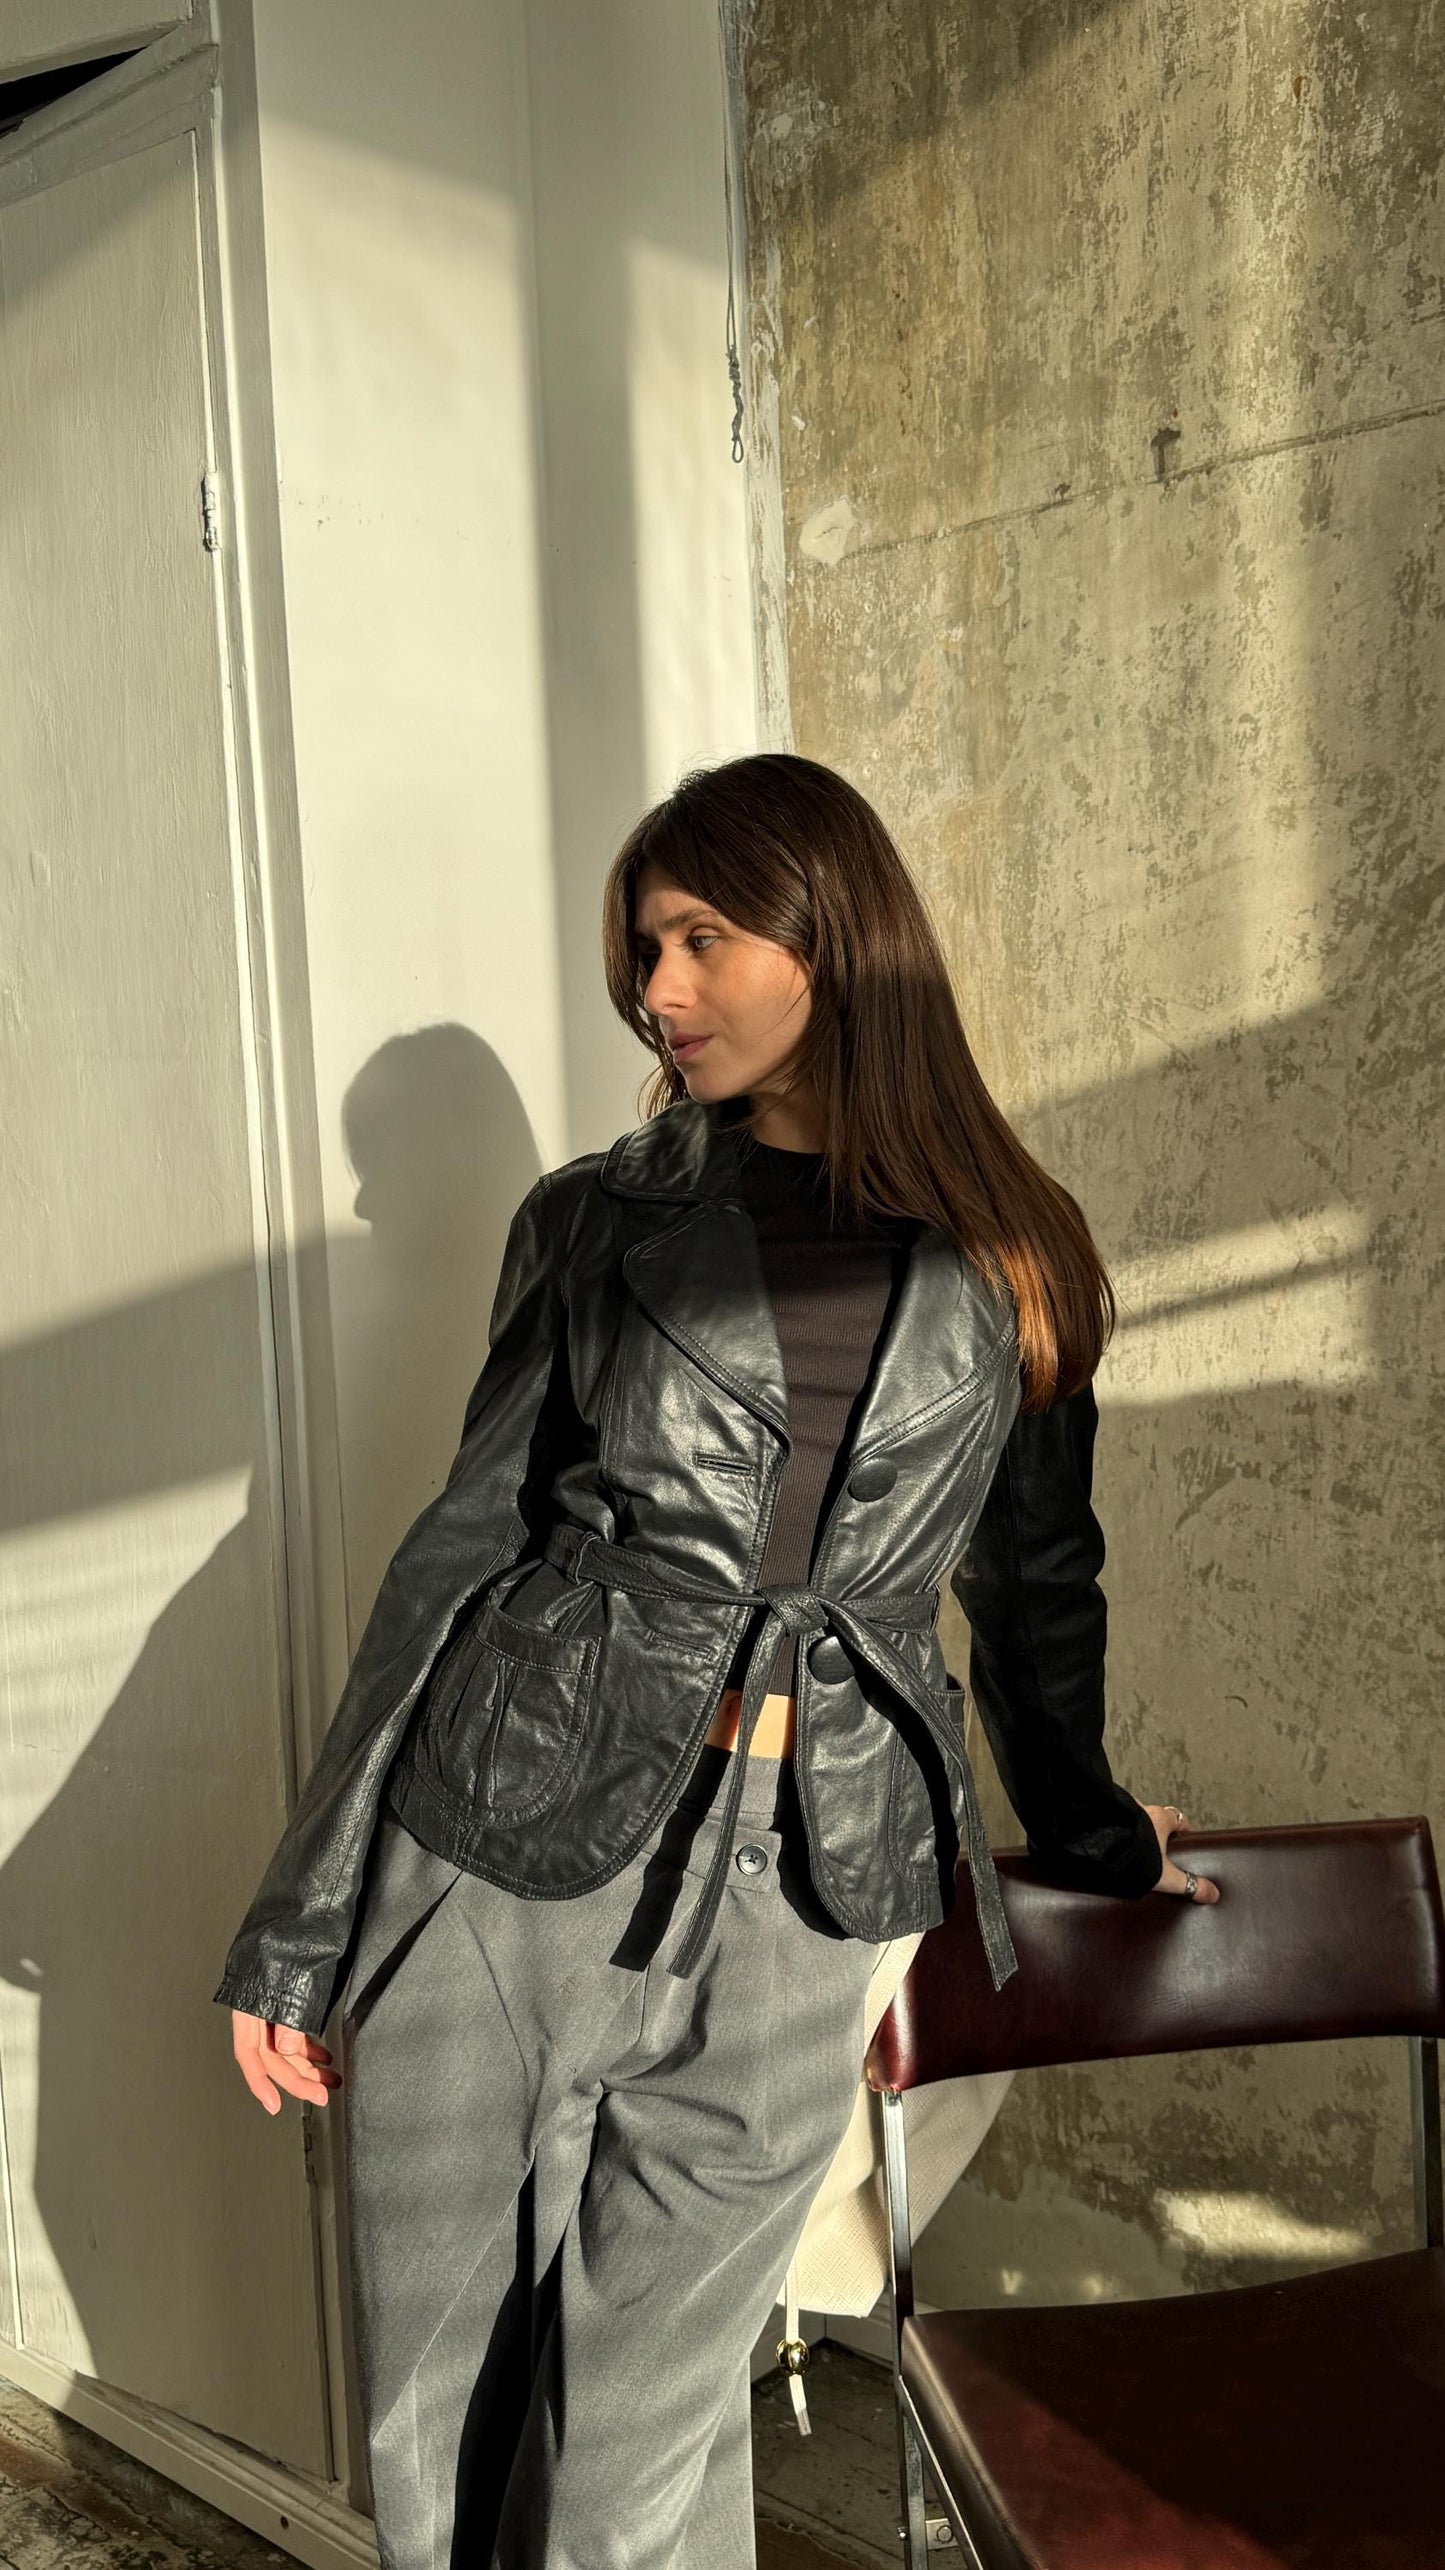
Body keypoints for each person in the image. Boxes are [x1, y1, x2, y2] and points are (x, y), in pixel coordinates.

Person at [215, 752, 1218, 2570]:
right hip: (503, 1831)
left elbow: (1037, 1585)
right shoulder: (594, 1219)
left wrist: (1085, 1828)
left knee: (640, 2443)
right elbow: (464, 1549)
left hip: (806, 1890)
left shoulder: (1016, 1254)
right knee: (443, 2412)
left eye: (700, 937)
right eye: (642, 950)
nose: (656, 992)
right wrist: (304, 1914)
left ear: (833, 940)